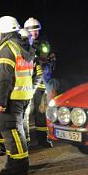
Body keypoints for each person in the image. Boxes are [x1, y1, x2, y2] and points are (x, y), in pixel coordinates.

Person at [0, 15, 34, 175]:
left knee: (11, 130)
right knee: (18, 130)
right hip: (24, 95)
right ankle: (16, 161)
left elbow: (4, 78)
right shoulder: (22, 46)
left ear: (3, 32)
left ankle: (18, 166)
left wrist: (1, 101)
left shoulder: (7, 49)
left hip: (12, 97)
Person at [24, 17, 53, 147]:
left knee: (41, 112)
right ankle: (24, 139)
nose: (35, 33)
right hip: (26, 83)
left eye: (37, 30)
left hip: (41, 83)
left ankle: (42, 139)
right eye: (32, 30)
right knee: (25, 112)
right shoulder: (23, 43)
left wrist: (48, 61)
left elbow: (50, 60)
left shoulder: (44, 44)